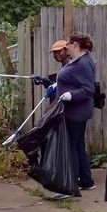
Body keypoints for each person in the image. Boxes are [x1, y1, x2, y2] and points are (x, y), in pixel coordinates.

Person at [40, 33, 97, 199]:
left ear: (76, 45)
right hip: (75, 111)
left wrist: (71, 95)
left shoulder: (84, 63)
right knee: (78, 145)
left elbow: (88, 89)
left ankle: (68, 186)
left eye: (69, 44)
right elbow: (74, 80)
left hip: (76, 112)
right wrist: (57, 85)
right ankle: (86, 181)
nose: (67, 47)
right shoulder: (79, 62)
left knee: (70, 147)